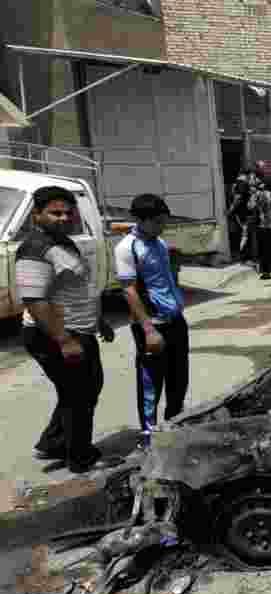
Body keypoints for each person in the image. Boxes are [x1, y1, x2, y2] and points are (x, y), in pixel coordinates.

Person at [16, 186, 115, 472]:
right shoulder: (35, 249)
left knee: (83, 389)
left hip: (78, 329)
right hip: (55, 334)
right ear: (36, 215)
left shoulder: (63, 243)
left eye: (68, 213)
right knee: (79, 394)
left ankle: (53, 444)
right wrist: (65, 340)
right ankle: (80, 459)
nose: (63, 218)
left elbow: (75, 289)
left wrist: (98, 322)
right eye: (55, 213)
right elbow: (36, 301)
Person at [115, 193, 190, 453]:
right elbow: (129, 291)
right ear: (141, 220)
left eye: (163, 221)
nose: (162, 226)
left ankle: (174, 429)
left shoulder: (157, 242)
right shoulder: (127, 248)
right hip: (152, 327)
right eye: (157, 221)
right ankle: (148, 439)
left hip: (175, 321)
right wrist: (148, 330)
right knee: (151, 386)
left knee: (178, 381)